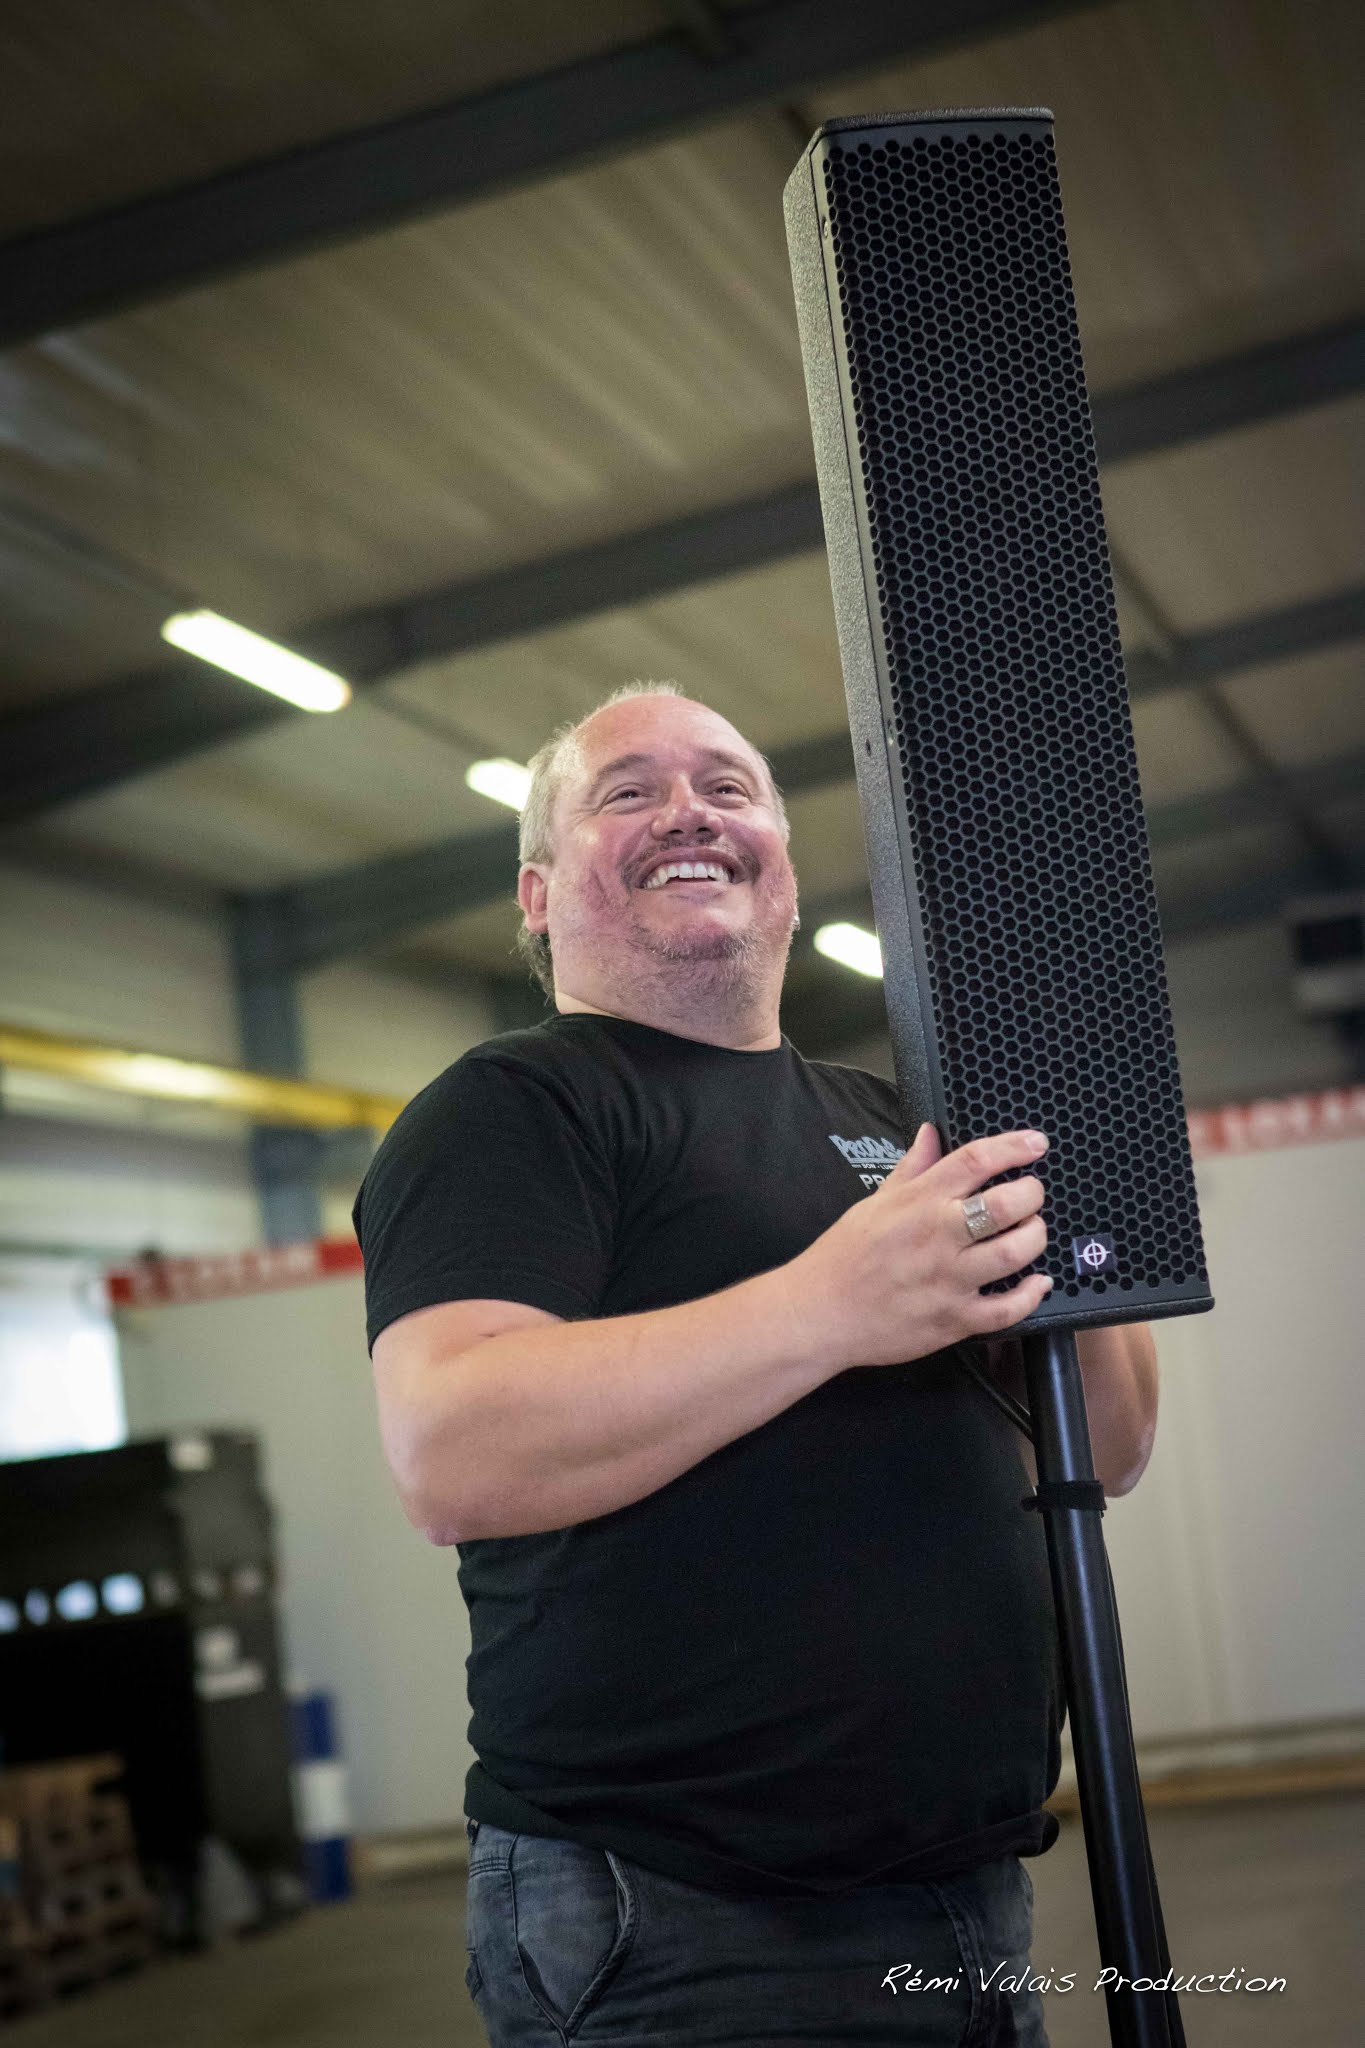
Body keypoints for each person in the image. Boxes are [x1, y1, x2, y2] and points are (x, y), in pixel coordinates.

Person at [353, 682, 1159, 2046]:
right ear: (538, 895)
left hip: (969, 1894)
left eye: (728, 788)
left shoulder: (896, 1122)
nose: (689, 812)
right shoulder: (517, 1108)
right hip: (681, 1919)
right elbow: (451, 1449)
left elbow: (1111, 1449)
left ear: (783, 861)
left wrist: (1070, 1175)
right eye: (628, 792)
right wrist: (830, 1305)